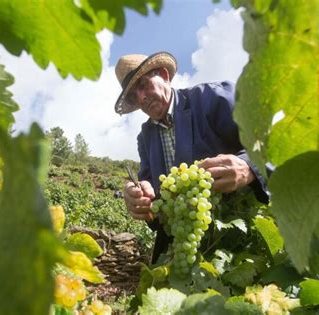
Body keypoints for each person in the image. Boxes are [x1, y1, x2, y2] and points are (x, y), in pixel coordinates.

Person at [114, 52, 269, 262]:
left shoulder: (214, 98)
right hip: (186, 250)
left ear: (164, 75)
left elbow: (272, 141)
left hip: (240, 243)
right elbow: (152, 195)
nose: (141, 98)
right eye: (133, 96)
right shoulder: (145, 138)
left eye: (143, 84)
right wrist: (141, 199)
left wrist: (249, 167)